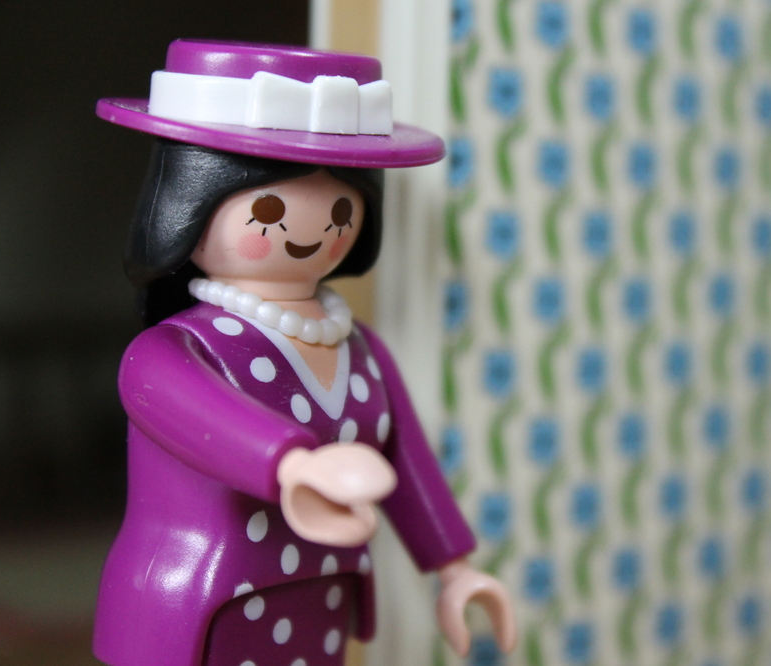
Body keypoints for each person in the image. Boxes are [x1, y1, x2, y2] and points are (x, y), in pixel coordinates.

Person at [92, 39, 515, 666]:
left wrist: (454, 571)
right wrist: (293, 465)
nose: (315, 229)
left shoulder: (361, 350)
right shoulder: (169, 352)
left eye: (342, 208)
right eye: (269, 209)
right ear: (187, 204)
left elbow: (408, 465)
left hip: (319, 597)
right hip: (204, 604)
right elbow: (210, 422)